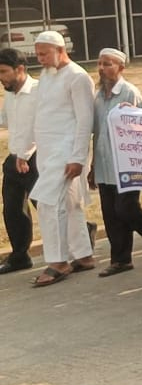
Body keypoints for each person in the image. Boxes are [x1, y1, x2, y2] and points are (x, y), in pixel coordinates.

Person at [89, 48, 142, 276]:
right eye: (100, 63)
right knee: (110, 213)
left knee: (126, 208)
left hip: (127, 162)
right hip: (104, 163)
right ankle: (121, 259)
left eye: (108, 64)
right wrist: (93, 165)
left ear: (121, 68)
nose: (102, 68)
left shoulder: (128, 93)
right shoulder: (98, 96)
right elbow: (97, 132)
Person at [29, 32, 97, 287]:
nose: (40, 58)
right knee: (69, 204)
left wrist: (78, 157)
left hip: (67, 151)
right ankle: (83, 255)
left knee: (48, 202)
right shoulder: (46, 75)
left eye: (44, 53)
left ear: (60, 50)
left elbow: (85, 120)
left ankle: (58, 262)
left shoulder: (78, 77)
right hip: (47, 151)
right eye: (38, 54)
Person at [0, 48, 39, 274]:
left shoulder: (37, 91)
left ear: (20, 69)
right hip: (14, 159)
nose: (1, 77)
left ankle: (83, 231)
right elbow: (6, 120)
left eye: (4, 71)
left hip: (35, 158)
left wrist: (25, 155)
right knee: (13, 209)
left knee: (46, 206)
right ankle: (20, 256)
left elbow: (39, 127)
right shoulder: (10, 93)